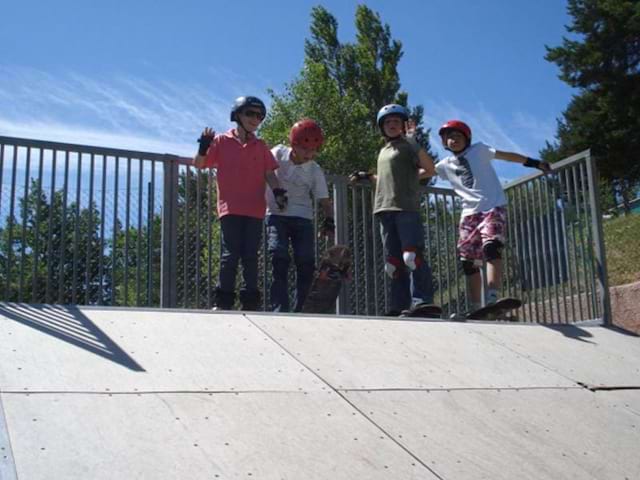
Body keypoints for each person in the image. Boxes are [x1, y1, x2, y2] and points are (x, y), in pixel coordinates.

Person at [435, 119, 551, 312]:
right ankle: (475, 307)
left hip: (492, 207)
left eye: (457, 136)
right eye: (448, 138)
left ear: (467, 138)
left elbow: (506, 156)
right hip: (468, 214)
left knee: (491, 248)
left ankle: (492, 298)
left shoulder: (479, 150)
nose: (452, 140)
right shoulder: (443, 166)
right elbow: (423, 172)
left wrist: (535, 163)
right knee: (468, 262)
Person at [193, 96, 288, 311]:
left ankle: (250, 303)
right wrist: (202, 148)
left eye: (259, 115)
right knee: (230, 255)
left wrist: (279, 191)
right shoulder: (221, 141)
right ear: (237, 115)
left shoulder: (260, 145)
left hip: (255, 209)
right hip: (230, 207)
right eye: (250, 114)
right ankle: (223, 302)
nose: (256, 119)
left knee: (250, 257)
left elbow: (269, 174)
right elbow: (199, 165)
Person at [350, 104, 438, 316]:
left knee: (411, 256)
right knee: (393, 263)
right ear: (382, 127)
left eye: (396, 122)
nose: (391, 125)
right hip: (383, 209)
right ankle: (399, 306)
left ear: (403, 125)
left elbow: (430, 169)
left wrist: (413, 142)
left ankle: (423, 301)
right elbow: (387, 179)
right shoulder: (384, 150)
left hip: (406, 207)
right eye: (388, 122)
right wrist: (368, 177)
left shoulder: (408, 146)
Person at [266, 119, 335, 312]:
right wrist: (276, 191)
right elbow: (265, 170)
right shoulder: (278, 153)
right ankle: (279, 309)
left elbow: (324, 200)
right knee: (278, 257)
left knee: (305, 262)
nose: (309, 155)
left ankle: (302, 310)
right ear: (293, 145)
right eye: (306, 150)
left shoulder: (314, 169)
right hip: (276, 215)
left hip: (302, 217)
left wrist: (329, 221)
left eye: (314, 150)